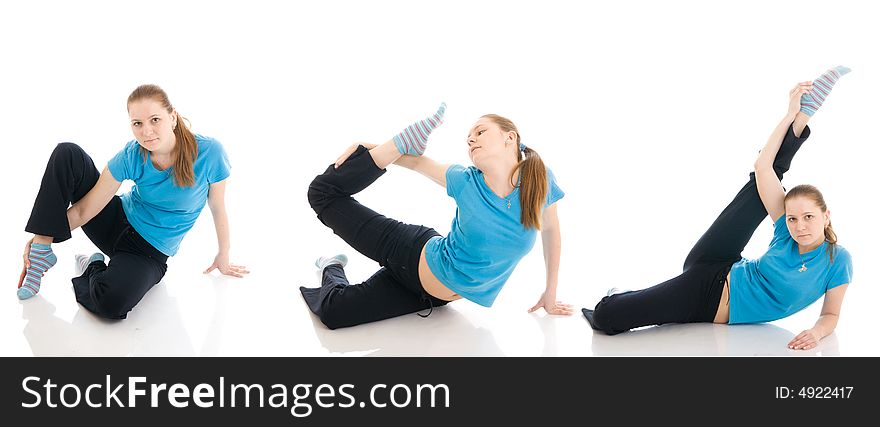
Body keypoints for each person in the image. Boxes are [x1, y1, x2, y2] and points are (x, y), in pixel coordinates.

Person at [583, 67, 853, 351]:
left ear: (826, 216)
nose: (799, 226)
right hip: (718, 262)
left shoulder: (838, 260)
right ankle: (802, 117)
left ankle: (627, 297)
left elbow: (831, 315)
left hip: (706, 298)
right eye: (794, 218)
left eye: (809, 217)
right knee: (763, 179)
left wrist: (817, 332)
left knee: (607, 318)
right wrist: (788, 114)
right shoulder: (787, 231)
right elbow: (762, 167)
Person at [301, 103, 573, 329]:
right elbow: (417, 161)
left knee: (334, 313)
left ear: (509, 137)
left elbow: (551, 232)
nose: (471, 140)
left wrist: (551, 291)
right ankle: (390, 145)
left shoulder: (539, 182)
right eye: (469, 138)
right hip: (409, 252)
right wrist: (367, 146)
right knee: (321, 194)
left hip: (430, 297)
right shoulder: (466, 181)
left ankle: (331, 265)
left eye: (480, 132)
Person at [17, 84, 249, 319]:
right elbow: (85, 210)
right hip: (114, 222)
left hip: (148, 252)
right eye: (137, 123)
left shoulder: (210, 153)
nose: (146, 131)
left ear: (173, 117)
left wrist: (223, 254)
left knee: (112, 304)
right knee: (67, 153)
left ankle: (93, 265)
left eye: (155, 120)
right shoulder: (131, 155)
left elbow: (218, 207)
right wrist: (42, 237)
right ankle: (41, 255)